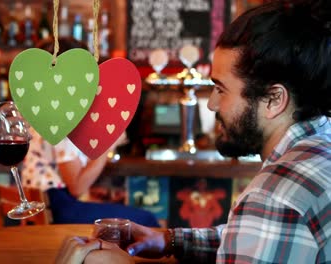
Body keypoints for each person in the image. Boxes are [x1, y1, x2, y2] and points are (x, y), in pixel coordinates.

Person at [55, 0, 331, 263]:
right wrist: (170, 240)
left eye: (221, 89)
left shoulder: (276, 196)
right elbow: (257, 239)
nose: (211, 103)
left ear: (273, 100)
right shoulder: (319, 151)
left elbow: (267, 224)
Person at [20, 37, 160, 227]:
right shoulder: (62, 115)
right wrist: (108, 143)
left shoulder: (44, 109)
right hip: (60, 208)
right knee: (147, 221)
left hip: (48, 205)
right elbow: (77, 186)